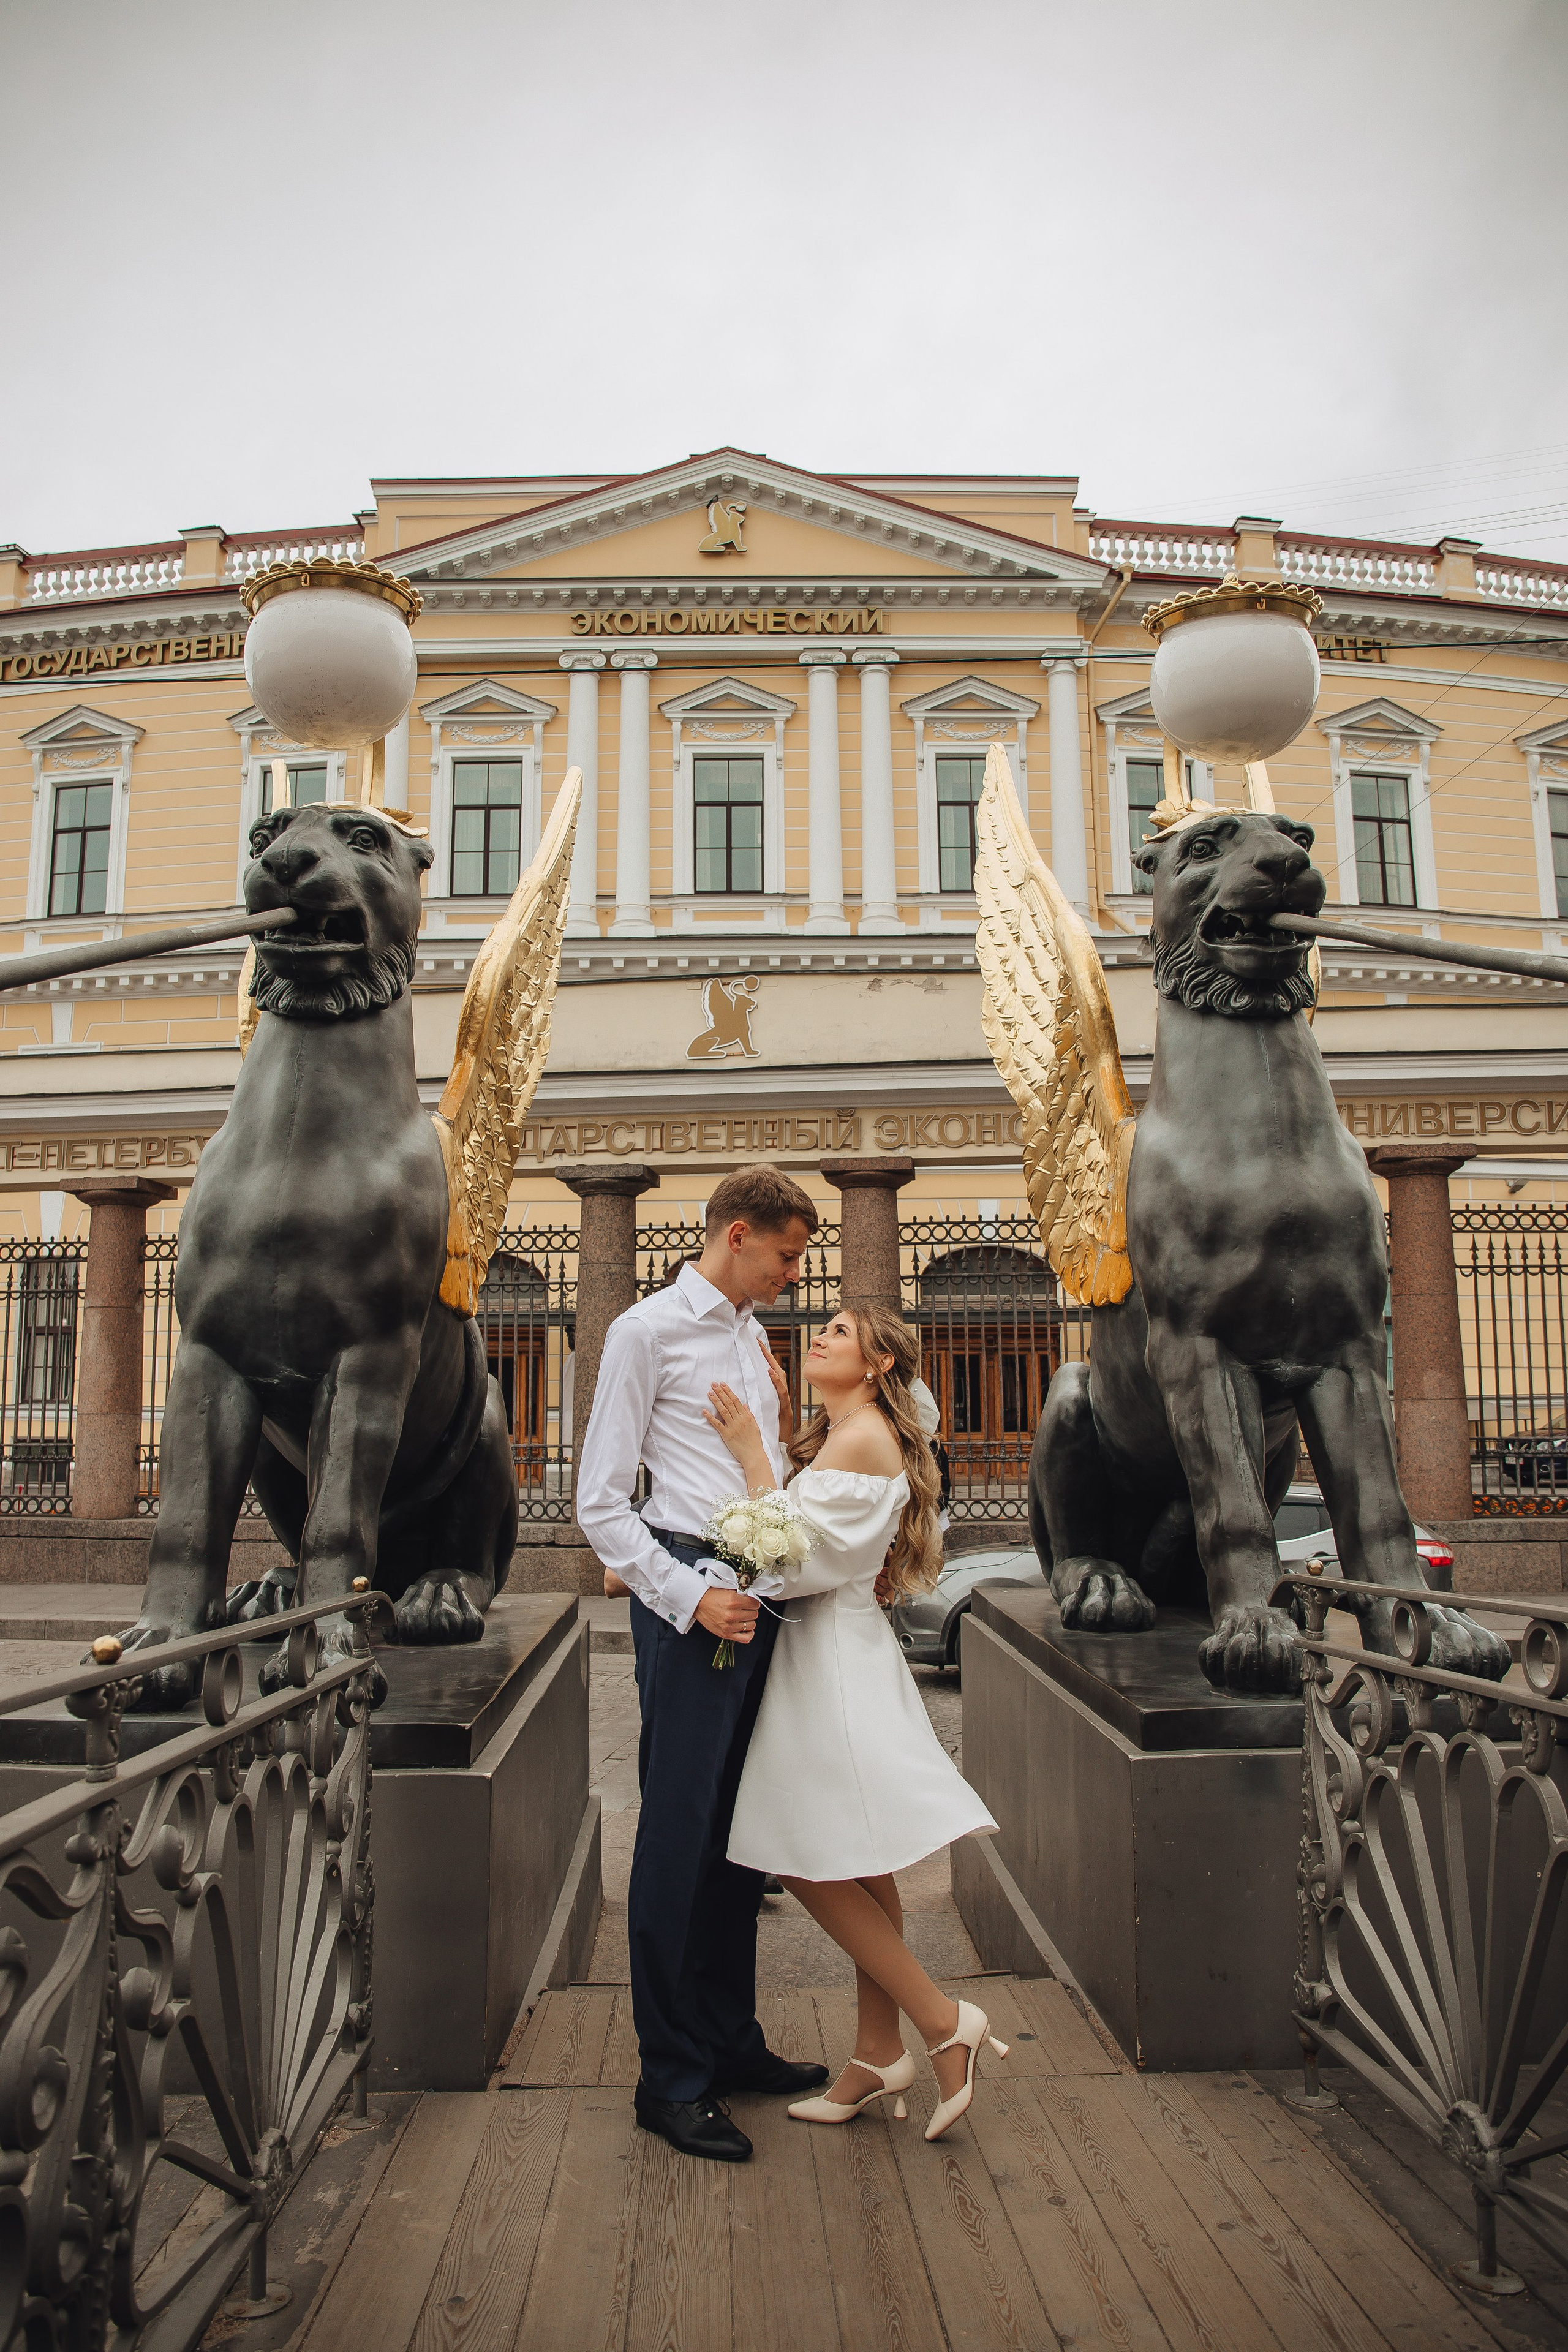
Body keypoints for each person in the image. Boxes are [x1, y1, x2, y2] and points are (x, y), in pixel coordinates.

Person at [574, 1164, 830, 2164]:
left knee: (740, 1839)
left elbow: (755, 1478)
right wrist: (685, 1597)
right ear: (735, 1236)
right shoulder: (645, 1333)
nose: (794, 1272)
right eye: (787, 1252)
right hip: (690, 1592)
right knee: (679, 1835)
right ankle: (670, 2079)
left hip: (753, 1590)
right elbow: (601, 1504)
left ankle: (730, 2042)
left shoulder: (751, 1336)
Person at [706, 1305, 1004, 2144]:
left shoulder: (865, 1434)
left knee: (800, 1857)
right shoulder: (849, 1430)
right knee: (866, 1868)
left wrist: (753, 1455)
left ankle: (945, 2024)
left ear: (877, 1365)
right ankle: (878, 2055)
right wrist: (780, 1424)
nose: (821, 1339)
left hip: (831, 1668)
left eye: (839, 1333)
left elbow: (796, 1561)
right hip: (832, 1657)